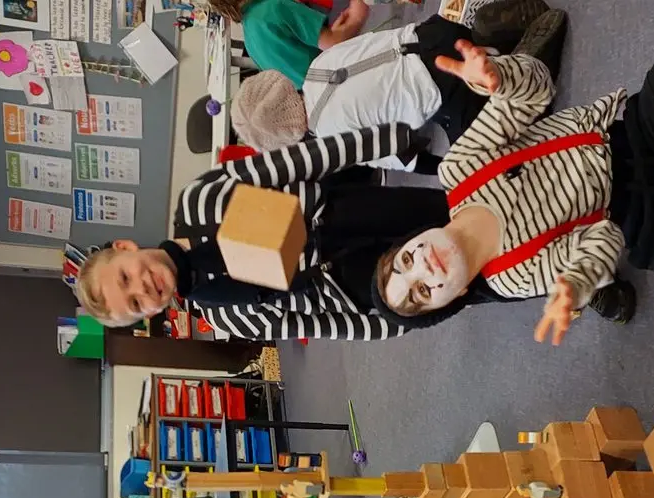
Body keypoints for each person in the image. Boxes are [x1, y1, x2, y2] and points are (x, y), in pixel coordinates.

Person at [370, 15, 654, 340]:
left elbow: (536, 91)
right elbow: (605, 238)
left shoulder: (459, 170)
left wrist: (500, 78)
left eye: (406, 261)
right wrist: (576, 282)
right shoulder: (508, 277)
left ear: (415, 239)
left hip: (627, 133)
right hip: (637, 216)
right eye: (424, 292)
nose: (423, 268)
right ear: (456, 296)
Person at [68, 126, 471, 340]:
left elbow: (295, 162)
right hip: (354, 287)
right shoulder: (224, 315)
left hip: (346, 214)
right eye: (137, 304)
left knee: (457, 215)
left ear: (124, 247)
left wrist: (385, 143)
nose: (144, 288)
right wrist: (397, 322)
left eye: (126, 277)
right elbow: (317, 325)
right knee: (466, 279)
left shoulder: (198, 200)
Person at [230, 7, 568, 173]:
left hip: (445, 87)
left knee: (487, 164)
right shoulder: (319, 65)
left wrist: (450, 168)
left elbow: (409, 158)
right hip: (433, 32)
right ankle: (488, 40)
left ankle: (522, 71)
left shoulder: (334, 139)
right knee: (457, 52)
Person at [209, 0, 371, 88]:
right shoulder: (274, 8)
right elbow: (335, 42)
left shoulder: (250, 38)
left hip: (319, 96)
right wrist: (357, 15)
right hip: (346, 78)